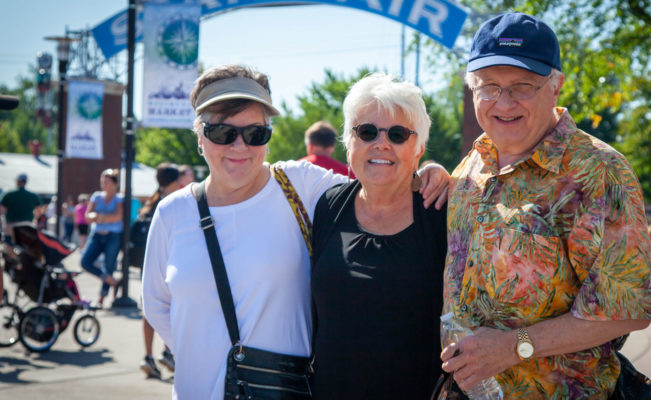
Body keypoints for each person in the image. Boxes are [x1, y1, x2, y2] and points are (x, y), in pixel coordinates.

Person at [141, 64, 451, 398]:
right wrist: (205, 353)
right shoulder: (172, 212)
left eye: (255, 133)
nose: (239, 146)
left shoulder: (301, 187)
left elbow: (382, 180)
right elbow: (156, 305)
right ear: (200, 136)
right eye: (222, 133)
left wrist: (431, 173)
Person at [439, 13, 651, 398]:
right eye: (488, 86)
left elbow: (628, 310)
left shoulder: (598, 171)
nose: (503, 102)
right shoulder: (470, 167)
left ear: (555, 86)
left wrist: (514, 345)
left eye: (522, 86)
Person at [310, 73, 447, 399]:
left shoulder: (443, 213)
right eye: (367, 131)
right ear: (349, 143)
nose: (381, 143)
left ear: (419, 148)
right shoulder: (329, 206)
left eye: (398, 134)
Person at [138, 163, 181, 379]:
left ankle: (148, 356)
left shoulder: (151, 203)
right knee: (169, 307)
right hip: (167, 264)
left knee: (150, 308)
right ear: (174, 182)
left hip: (146, 266)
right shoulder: (171, 205)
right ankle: (168, 351)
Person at [80, 168, 124, 307]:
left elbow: (118, 216)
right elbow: (87, 217)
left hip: (113, 235)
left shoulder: (119, 198)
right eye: (102, 182)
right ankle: (113, 282)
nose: (103, 185)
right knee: (85, 261)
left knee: (109, 265)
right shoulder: (97, 196)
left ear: (114, 184)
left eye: (106, 182)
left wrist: (98, 217)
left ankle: (101, 299)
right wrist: (106, 218)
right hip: (97, 235)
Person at [1, 173, 42, 239]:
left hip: (11, 224)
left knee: (9, 245)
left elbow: (1, 210)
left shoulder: (9, 194)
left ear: (17, 181)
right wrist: (36, 219)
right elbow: (39, 210)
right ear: (25, 182)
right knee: (26, 246)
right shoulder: (32, 195)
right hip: (27, 225)